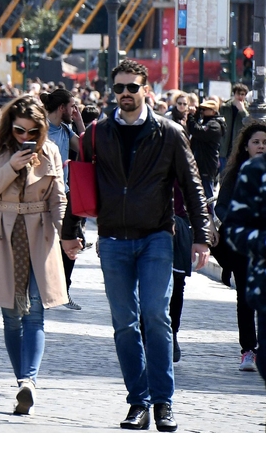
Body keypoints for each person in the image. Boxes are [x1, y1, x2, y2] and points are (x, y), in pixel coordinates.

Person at [61, 60, 212, 432]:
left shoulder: (170, 132)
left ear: (147, 89)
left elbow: (193, 187)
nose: (125, 94)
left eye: (132, 87)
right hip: (113, 240)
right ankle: (137, 402)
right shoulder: (96, 133)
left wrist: (202, 237)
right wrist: (70, 231)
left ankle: (163, 402)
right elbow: (79, 185)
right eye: (119, 88)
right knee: (125, 324)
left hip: (156, 237)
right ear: (112, 91)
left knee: (156, 318)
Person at [0, 95, 67, 416]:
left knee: (36, 314)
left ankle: (29, 381)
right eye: (18, 130)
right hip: (3, 233)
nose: (25, 138)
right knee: (12, 318)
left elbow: (59, 198)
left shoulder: (50, 151)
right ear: (8, 125)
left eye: (32, 132)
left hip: (40, 234)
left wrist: (63, 235)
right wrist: (11, 168)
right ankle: (21, 382)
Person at [214, 119, 266, 373]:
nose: (260, 146)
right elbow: (221, 206)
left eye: (265, 142)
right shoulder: (235, 174)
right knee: (246, 298)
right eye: (256, 142)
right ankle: (249, 350)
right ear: (246, 146)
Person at [41, 88, 86, 310]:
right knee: (47, 243)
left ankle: (62, 291)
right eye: (72, 107)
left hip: (65, 194)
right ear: (62, 108)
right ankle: (43, 291)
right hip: (42, 195)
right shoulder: (40, 130)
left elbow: (87, 150)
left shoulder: (66, 131)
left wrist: (79, 123)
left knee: (74, 242)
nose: (74, 110)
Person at [187, 96, 224, 199]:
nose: (202, 111)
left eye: (205, 109)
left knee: (207, 192)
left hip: (207, 163)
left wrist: (191, 116)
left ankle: (211, 214)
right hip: (201, 162)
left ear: (213, 111)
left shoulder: (214, 125)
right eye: (201, 109)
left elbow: (197, 131)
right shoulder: (205, 122)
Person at [218, 83, 249, 168]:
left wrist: (242, 110)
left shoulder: (248, 109)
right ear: (234, 94)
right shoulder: (225, 107)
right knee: (223, 177)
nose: (240, 96)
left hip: (238, 150)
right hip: (224, 150)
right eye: (238, 94)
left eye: (242, 94)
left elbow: (249, 123)